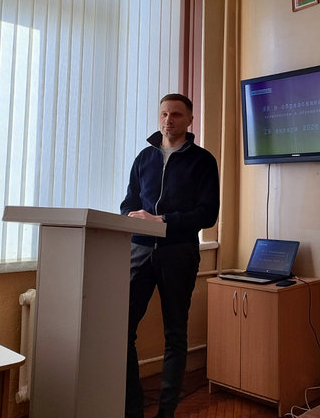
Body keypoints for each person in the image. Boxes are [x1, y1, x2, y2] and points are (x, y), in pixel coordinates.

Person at [121, 93, 220, 418]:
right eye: (164, 114)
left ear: (190, 120)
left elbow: (207, 214)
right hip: (139, 251)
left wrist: (161, 220)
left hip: (179, 253)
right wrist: (132, 217)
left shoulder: (203, 161)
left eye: (176, 114)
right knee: (122, 331)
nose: (168, 120)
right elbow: (128, 202)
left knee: (175, 335)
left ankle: (166, 413)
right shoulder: (143, 158)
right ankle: (133, 410)